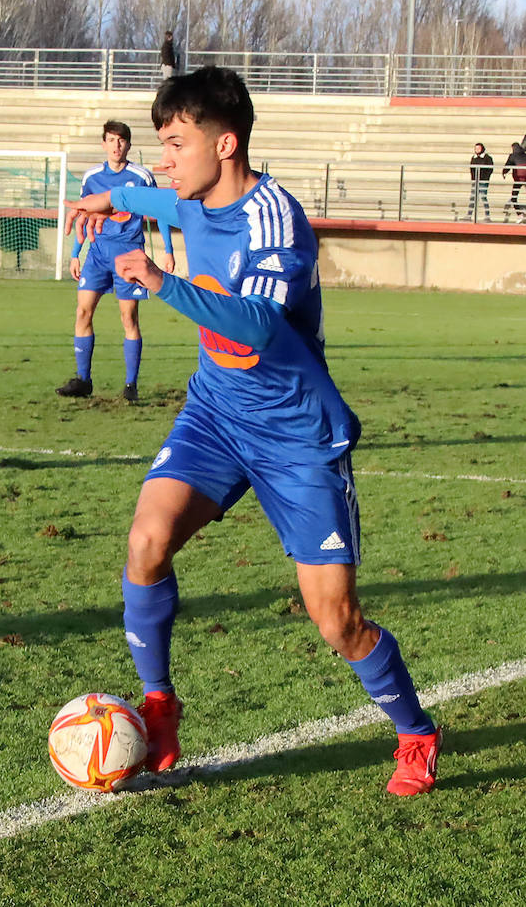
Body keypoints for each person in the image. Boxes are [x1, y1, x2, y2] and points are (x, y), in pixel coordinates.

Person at [64, 66, 442, 796]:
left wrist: (162, 282)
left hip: (296, 435)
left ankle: (416, 733)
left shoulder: (276, 220)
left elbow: (260, 325)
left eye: (175, 145)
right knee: (146, 542)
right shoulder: (191, 196)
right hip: (216, 413)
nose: (164, 160)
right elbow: (155, 197)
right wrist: (111, 197)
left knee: (337, 621)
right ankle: (159, 705)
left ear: (225, 144)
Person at [56, 121, 174, 402]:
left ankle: (130, 385)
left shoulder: (141, 176)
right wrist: (75, 254)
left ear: (128, 145)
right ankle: (83, 380)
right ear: (104, 144)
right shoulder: (92, 177)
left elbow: (161, 211)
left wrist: (168, 250)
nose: (116, 145)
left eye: (121, 140)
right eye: (111, 140)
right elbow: (83, 214)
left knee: (128, 317)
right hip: (97, 254)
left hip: (129, 254)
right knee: (83, 313)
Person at [502, 142, 526, 222]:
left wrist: (504, 173)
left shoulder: (512, 156)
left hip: (518, 179)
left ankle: (519, 214)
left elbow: (508, 165)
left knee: (514, 197)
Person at [468, 142, 492, 222]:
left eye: (478, 148)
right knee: (473, 198)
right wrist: (473, 179)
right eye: (476, 148)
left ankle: (487, 215)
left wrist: (485, 178)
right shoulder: (474, 157)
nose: (477, 150)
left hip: (483, 181)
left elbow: (490, 169)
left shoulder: (487, 158)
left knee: (483, 197)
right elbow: (471, 169)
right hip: (475, 181)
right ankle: (469, 215)